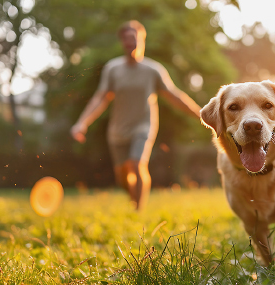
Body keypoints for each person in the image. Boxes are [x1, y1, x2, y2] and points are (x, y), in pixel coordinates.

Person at [71, 20, 201, 210]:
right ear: (122, 43)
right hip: (118, 129)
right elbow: (100, 99)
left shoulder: (153, 70)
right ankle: (134, 200)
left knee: (137, 164)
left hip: (143, 125)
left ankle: (138, 210)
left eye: (134, 38)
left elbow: (174, 95)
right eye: (126, 39)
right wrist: (82, 123)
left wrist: (200, 113)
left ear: (142, 41)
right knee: (122, 175)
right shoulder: (113, 69)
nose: (130, 42)